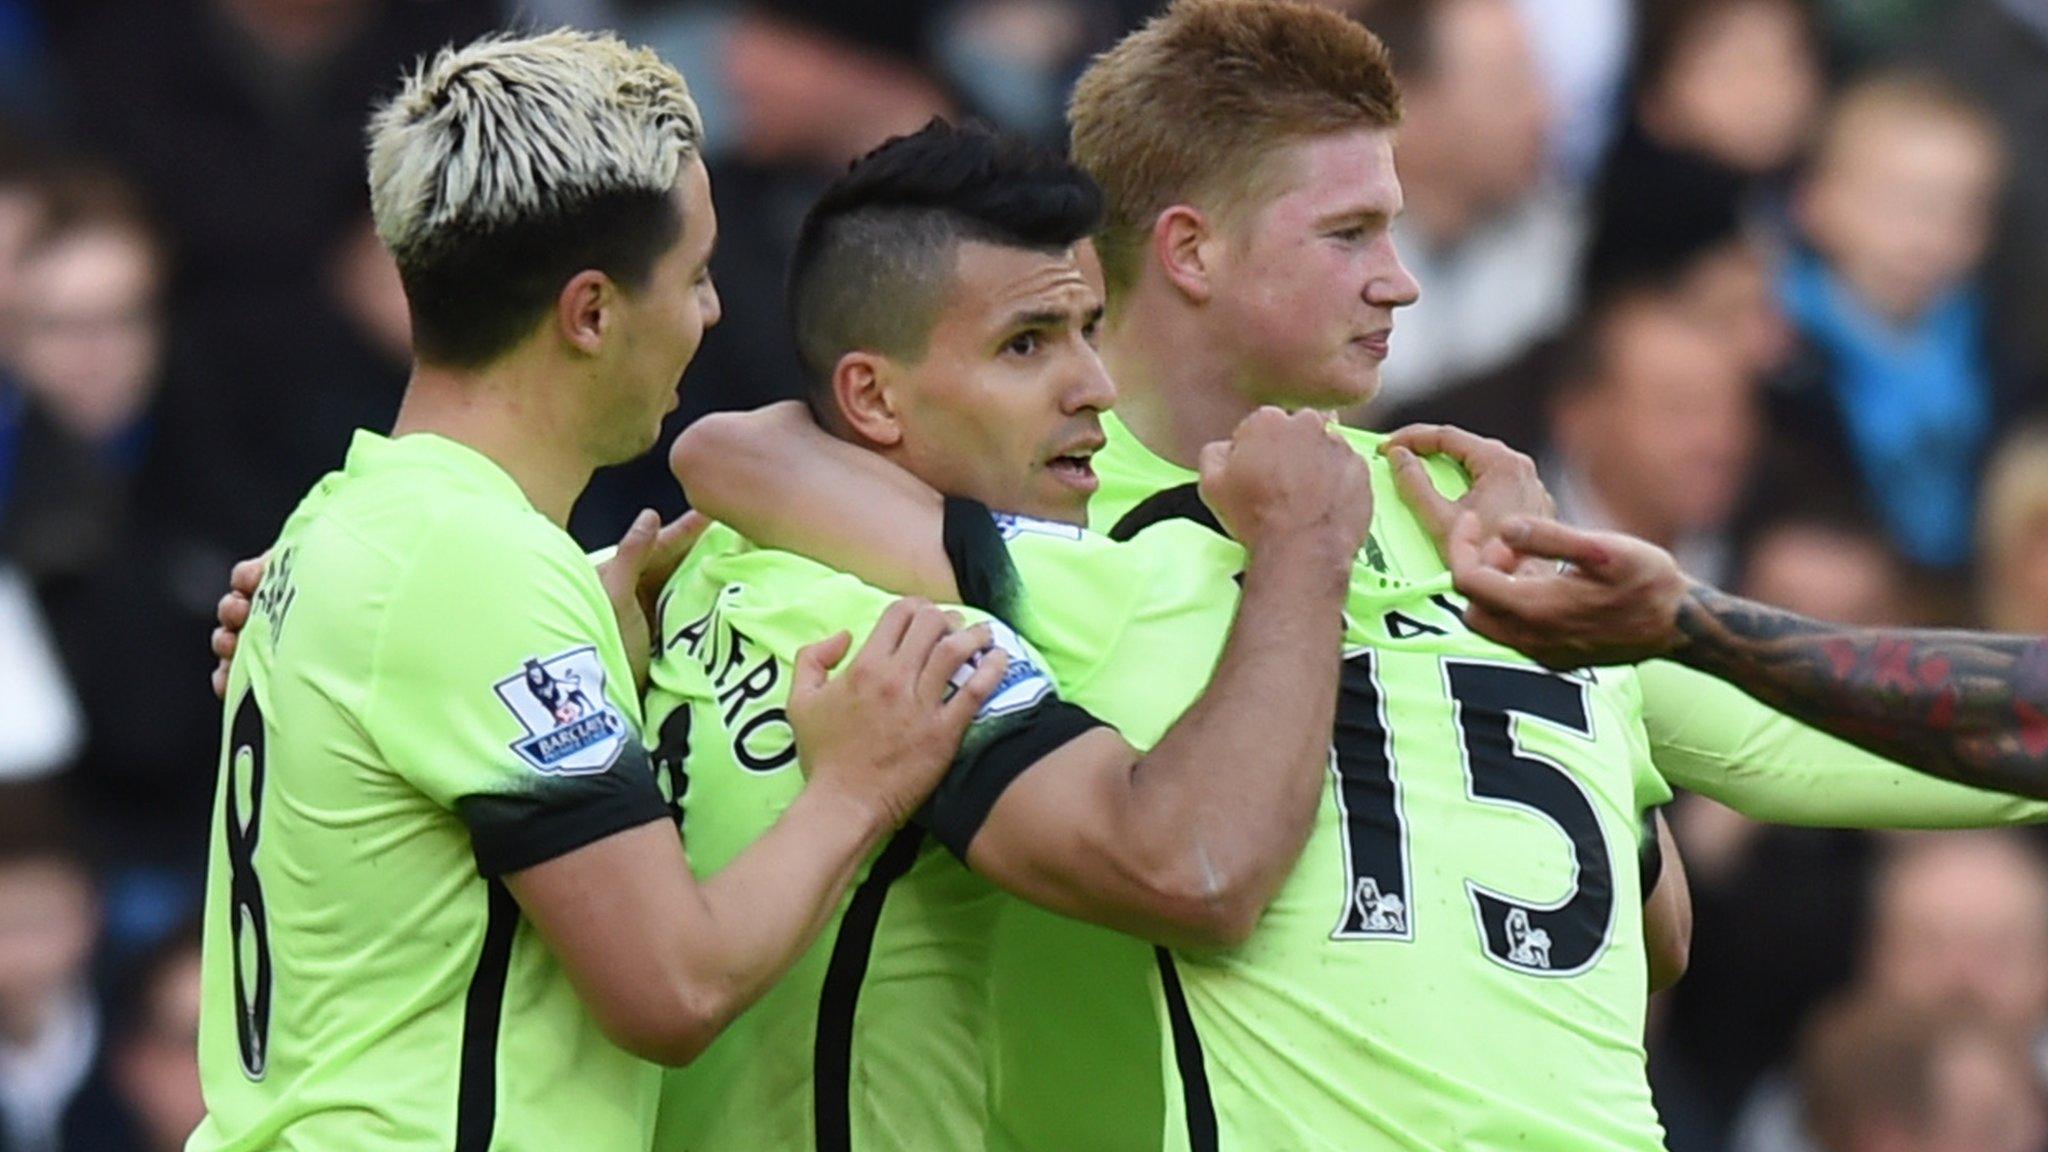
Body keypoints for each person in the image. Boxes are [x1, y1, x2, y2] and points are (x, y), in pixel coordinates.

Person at [677, 3, 2048, 1149]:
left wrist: (1666, 660)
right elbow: (738, 455)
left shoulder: (1471, 520)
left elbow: (1699, 888)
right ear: (1190, 250)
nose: (1399, 283)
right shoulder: (1031, 535)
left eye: (1395, 229)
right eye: (1347, 236)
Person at [189, 31, 1004, 1152]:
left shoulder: (342, 526)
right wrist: (856, 787)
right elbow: (672, 990)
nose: (711, 314)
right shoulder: (471, 568)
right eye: (696, 275)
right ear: (589, 313)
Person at [647, 121, 1376, 1152]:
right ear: (870, 394)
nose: (1094, 386)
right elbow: (1194, 873)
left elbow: (725, 446)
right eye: (1026, 345)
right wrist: (1307, 541)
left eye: (1091, 327)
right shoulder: (924, 647)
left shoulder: (703, 560)